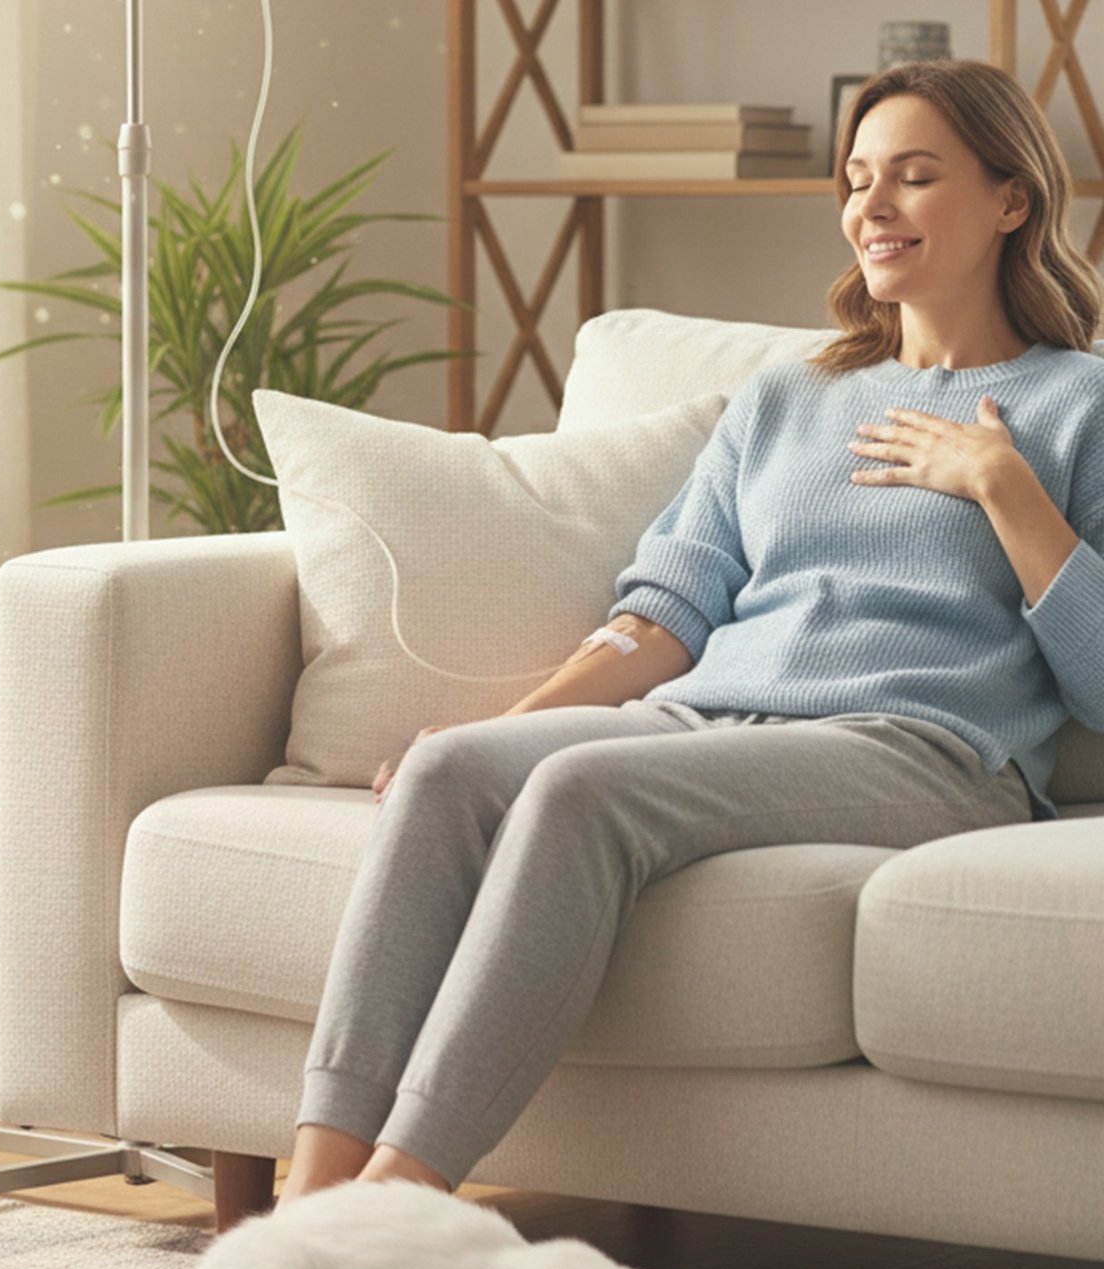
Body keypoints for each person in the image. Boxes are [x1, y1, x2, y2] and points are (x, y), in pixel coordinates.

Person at [276, 57, 1104, 1209]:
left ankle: (392, 1205)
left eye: (914, 178)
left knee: (580, 796)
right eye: (858, 179)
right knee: (454, 768)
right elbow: (664, 613)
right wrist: (508, 725)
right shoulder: (785, 398)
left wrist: (1003, 487)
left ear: (1013, 199)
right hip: (710, 715)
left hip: (925, 750)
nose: (872, 206)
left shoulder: (1079, 403)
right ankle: (304, 1210)